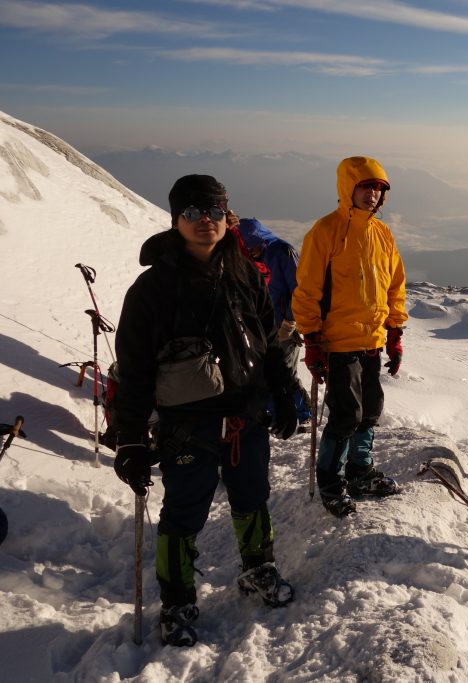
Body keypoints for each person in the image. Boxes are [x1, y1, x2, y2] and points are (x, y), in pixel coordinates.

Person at [111, 174, 299, 647]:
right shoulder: (152, 289)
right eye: (192, 212)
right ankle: (176, 600)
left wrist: (283, 393)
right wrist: (130, 438)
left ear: (226, 215)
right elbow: (133, 371)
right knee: (183, 512)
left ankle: (259, 568)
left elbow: (270, 342)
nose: (205, 221)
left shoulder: (245, 273)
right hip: (186, 425)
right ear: (175, 218)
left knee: (252, 496)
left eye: (214, 211)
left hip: (246, 416)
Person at [292, 156, 407, 518]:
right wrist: (311, 339)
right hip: (337, 343)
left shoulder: (382, 234)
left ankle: (360, 472)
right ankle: (330, 481)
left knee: (370, 410)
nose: (372, 194)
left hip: (372, 340)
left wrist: (395, 332)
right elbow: (307, 289)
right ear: (348, 188)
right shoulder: (325, 231)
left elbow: (395, 287)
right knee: (345, 415)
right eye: (366, 186)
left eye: (378, 188)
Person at [236, 217, 314, 433]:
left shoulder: (283, 252)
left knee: (285, 370)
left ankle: (303, 415)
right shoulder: (255, 258)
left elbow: (298, 289)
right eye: (247, 247)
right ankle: (278, 413)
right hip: (265, 326)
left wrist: (290, 321)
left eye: (254, 246)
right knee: (268, 371)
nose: (252, 251)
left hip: (287, 324)